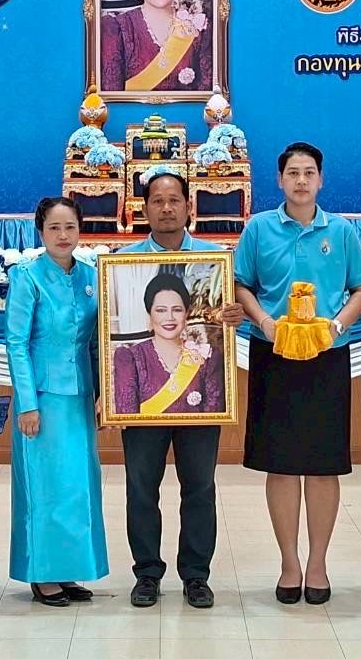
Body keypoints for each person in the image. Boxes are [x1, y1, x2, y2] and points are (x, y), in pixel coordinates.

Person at [234, 142, 361, 605]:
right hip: (273, 355)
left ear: (320, 180)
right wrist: (266, 322)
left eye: (309, 172)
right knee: (281, 464)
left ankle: (318, 564)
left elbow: (360, 287)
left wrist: (337, 325)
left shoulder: (343, 232)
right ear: (279, 180)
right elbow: (242, 284)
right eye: (292, 173)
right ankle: (289, 563)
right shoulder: (259, 228)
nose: (300, 180)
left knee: (322, 465)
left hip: (325, 357)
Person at [116, 172, 244, 609]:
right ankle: (147, 573)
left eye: (174, 200)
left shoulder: (216, 261)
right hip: (143, 403)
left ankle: (196, 575)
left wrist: (232, 315)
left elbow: (229, 321)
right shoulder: (123, 263)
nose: (166, 208)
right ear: (144, 208)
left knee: (199, 487)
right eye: (157, 200)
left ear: (189, 206)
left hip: (202, 396)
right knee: (140, 488)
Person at [5, 196, 109, 607]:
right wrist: (27, 403)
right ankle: (41, 573)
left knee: (77, 485)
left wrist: (106, 393)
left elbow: (101, 340)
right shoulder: (27, 277)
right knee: (44, 486)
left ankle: (68, 569)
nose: (63, 235)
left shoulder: (89, 277)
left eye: (69, 227)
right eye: (54, 228)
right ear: (40, 231)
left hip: (81, 394)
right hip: (44, 398)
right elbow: (15, 342)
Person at [112, 272, 225, 417]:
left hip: (195, 434)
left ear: (186, 314)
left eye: (177, 310)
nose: (169, 317)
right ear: (149, 314)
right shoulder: (130, 358)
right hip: (146, 435)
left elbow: (212, 416)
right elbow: (127, 416)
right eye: (161, 310)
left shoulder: (208, 357)